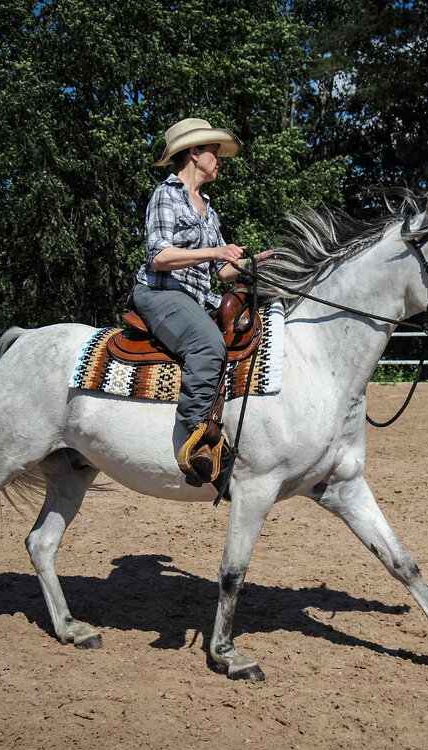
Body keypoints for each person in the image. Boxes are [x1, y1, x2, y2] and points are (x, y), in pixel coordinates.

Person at [133, 117, 259, 485]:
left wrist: (255, 263)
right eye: (214, 152)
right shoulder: (166, 195)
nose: (219, 159)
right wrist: (215, 250)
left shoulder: (208, 207)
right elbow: (159, 256)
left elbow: (221, 273)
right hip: (161, 291)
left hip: (197, 296)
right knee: (207, 343)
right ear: (193, 153)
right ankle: (196, 441)